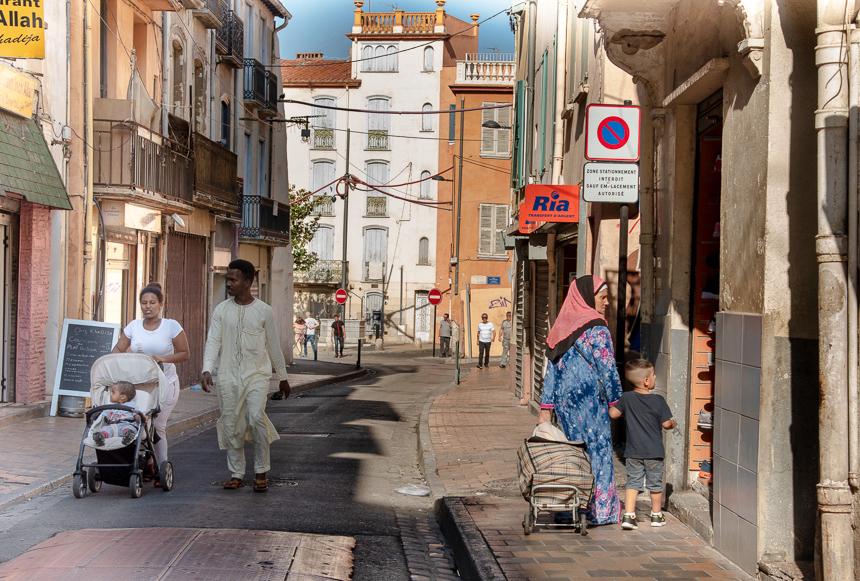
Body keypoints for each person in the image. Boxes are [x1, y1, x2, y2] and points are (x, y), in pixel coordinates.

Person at [538, 275, 623, 525]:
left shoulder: (561, 326)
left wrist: (546, 407)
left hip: (566, 405)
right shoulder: (597, 328)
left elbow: (551, 371)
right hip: (591, 402)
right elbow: (607, 367)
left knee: (573, 453)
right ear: (587, 297)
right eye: (602, 297)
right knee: (599, 451)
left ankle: (570, 508)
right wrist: (615, 401)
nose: (606, 303)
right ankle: (601, 510)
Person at [201, 259, 291, 493]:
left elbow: (273, 345)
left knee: (255, 417)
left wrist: (282, 376)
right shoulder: (221, 311)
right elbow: (213, 341)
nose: (229, 283)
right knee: (232, 424)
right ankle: (237, 473)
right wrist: (207, 368)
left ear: (248, 282)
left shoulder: (264, 311)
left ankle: (261, 470)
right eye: (228, 279)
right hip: (228, 377)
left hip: (256, 376)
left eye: (234, 279)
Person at [112, 282, 189, 476]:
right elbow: (119, 348)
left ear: (161, 304)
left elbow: (184, 353)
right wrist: (112, 363)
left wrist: (162, 358)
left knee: (158, 426)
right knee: (139, 423)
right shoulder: (134, 326)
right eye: (144, 303)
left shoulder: (171, 326)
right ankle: (145, 461)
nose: (147, 306)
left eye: (152, 302)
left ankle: (161, 467)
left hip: (165, 384)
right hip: (140, 386)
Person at [609, 359, 676, 530]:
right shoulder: (659, 400)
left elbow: (614, 414)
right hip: (654, 452)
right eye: (653, 375)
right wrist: (673, 424)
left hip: (633, 452)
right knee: (655, 484)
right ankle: (656, 515)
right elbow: (666, 424)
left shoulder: (627, 398)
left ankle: (629, 516)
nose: (654, 378)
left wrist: (611, 405)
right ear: (647, 381)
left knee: (633, 483)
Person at [89, 381, 139, 447]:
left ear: (122, 397)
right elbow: (103, 416)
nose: (110, 394)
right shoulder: (110, 406)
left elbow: (136, 415)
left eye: (113, 392)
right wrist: (97, 415)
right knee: (106, 429)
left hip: (127, 424)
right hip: (113, 426)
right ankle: (100, 437)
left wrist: (140, 418)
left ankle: (128, 436)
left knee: (130, 429)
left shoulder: (131, 405)